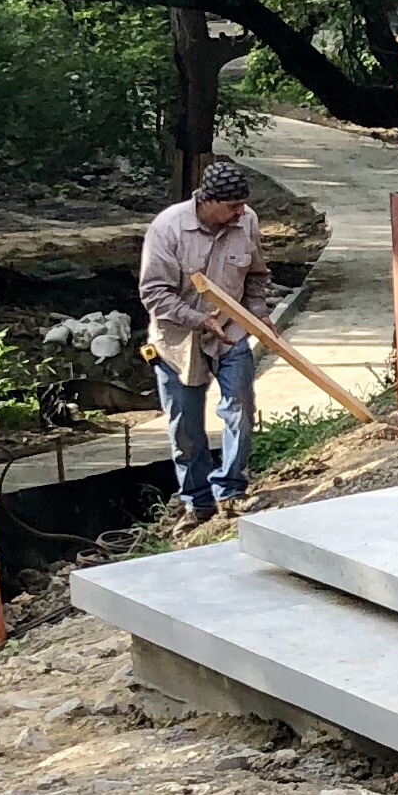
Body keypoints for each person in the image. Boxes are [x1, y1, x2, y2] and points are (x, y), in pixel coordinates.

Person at [136, 156, 274, 523]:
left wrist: (258, 312)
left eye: (242, 205)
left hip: (231, 331)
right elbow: (154, 293)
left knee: (239, 408)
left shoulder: (247, 221)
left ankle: (231, 489)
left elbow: (256, 275)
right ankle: (197, 502)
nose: (240, 212)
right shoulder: (167, 229)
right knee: (185, 427)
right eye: (232, 206)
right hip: (178, 339)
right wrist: (199, 319)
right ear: (208, 201)